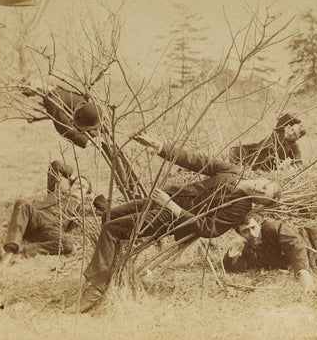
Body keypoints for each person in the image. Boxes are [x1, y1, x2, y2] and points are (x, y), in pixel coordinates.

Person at [76, 133, 281, 312]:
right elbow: (196, 161)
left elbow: (209, 229)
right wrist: (158, 146)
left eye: (263, 195)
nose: (260, 189)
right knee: (109, 216)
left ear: (259, 202)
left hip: (172, 217)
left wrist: (174, 209)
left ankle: (97, 288)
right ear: (263, 179)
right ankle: (113, 271)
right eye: (264, 186)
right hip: (165, 198)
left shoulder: (240, 208)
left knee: (111, 229)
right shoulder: (235, 172)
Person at [0, 161, 102, 267]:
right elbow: (55, 165)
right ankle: (9, 252)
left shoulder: (83, 210)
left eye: (83, 187)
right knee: (21, 204)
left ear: (87, 194)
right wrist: (73, 177)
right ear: (71, 186)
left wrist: (93, 196)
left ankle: (25, 250)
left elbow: (106, 208)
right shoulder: (56, 191)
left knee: (67, 244)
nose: (79, 187)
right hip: (37, 218)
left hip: (52, 229)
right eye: (78, 184)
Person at [229, 112, 305, 171]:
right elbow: (285, 117)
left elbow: (299, 161)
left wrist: (291, 168)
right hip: (246, 156)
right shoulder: (279, 132)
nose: (291, 133)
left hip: (263, 169)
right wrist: (297, 121)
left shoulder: (293, 146)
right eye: (291, 129)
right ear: (288, 127)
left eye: (295, 133)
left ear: (298, 138)